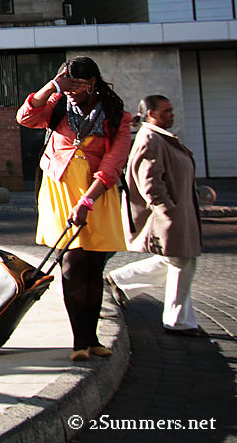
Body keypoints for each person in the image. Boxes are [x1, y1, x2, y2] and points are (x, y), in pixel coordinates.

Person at [16, 56, 131, 362]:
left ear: (92, 82)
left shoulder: (117, 116)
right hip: (60, 191)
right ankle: (80, 341)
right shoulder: (57, 104)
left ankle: (92, 339)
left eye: (75, 85)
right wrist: (52, 86)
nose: (69, 92)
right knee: (71, 263)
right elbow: (25, 117)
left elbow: (113, 164)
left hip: (96, 194)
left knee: (93, 265)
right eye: (64, 85)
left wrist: (87, 201)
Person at [104, 96, 205, 337]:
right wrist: (166, 209)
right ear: (151, 114)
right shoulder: (150, 138)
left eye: (172, 110)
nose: (172, 115)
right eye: (166, 111)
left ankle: (120, 281)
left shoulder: (160, 137)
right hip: (167, 216)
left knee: (179, 260)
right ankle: (177, 321)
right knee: (181, 261)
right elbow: (149, 181)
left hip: (177, 213)